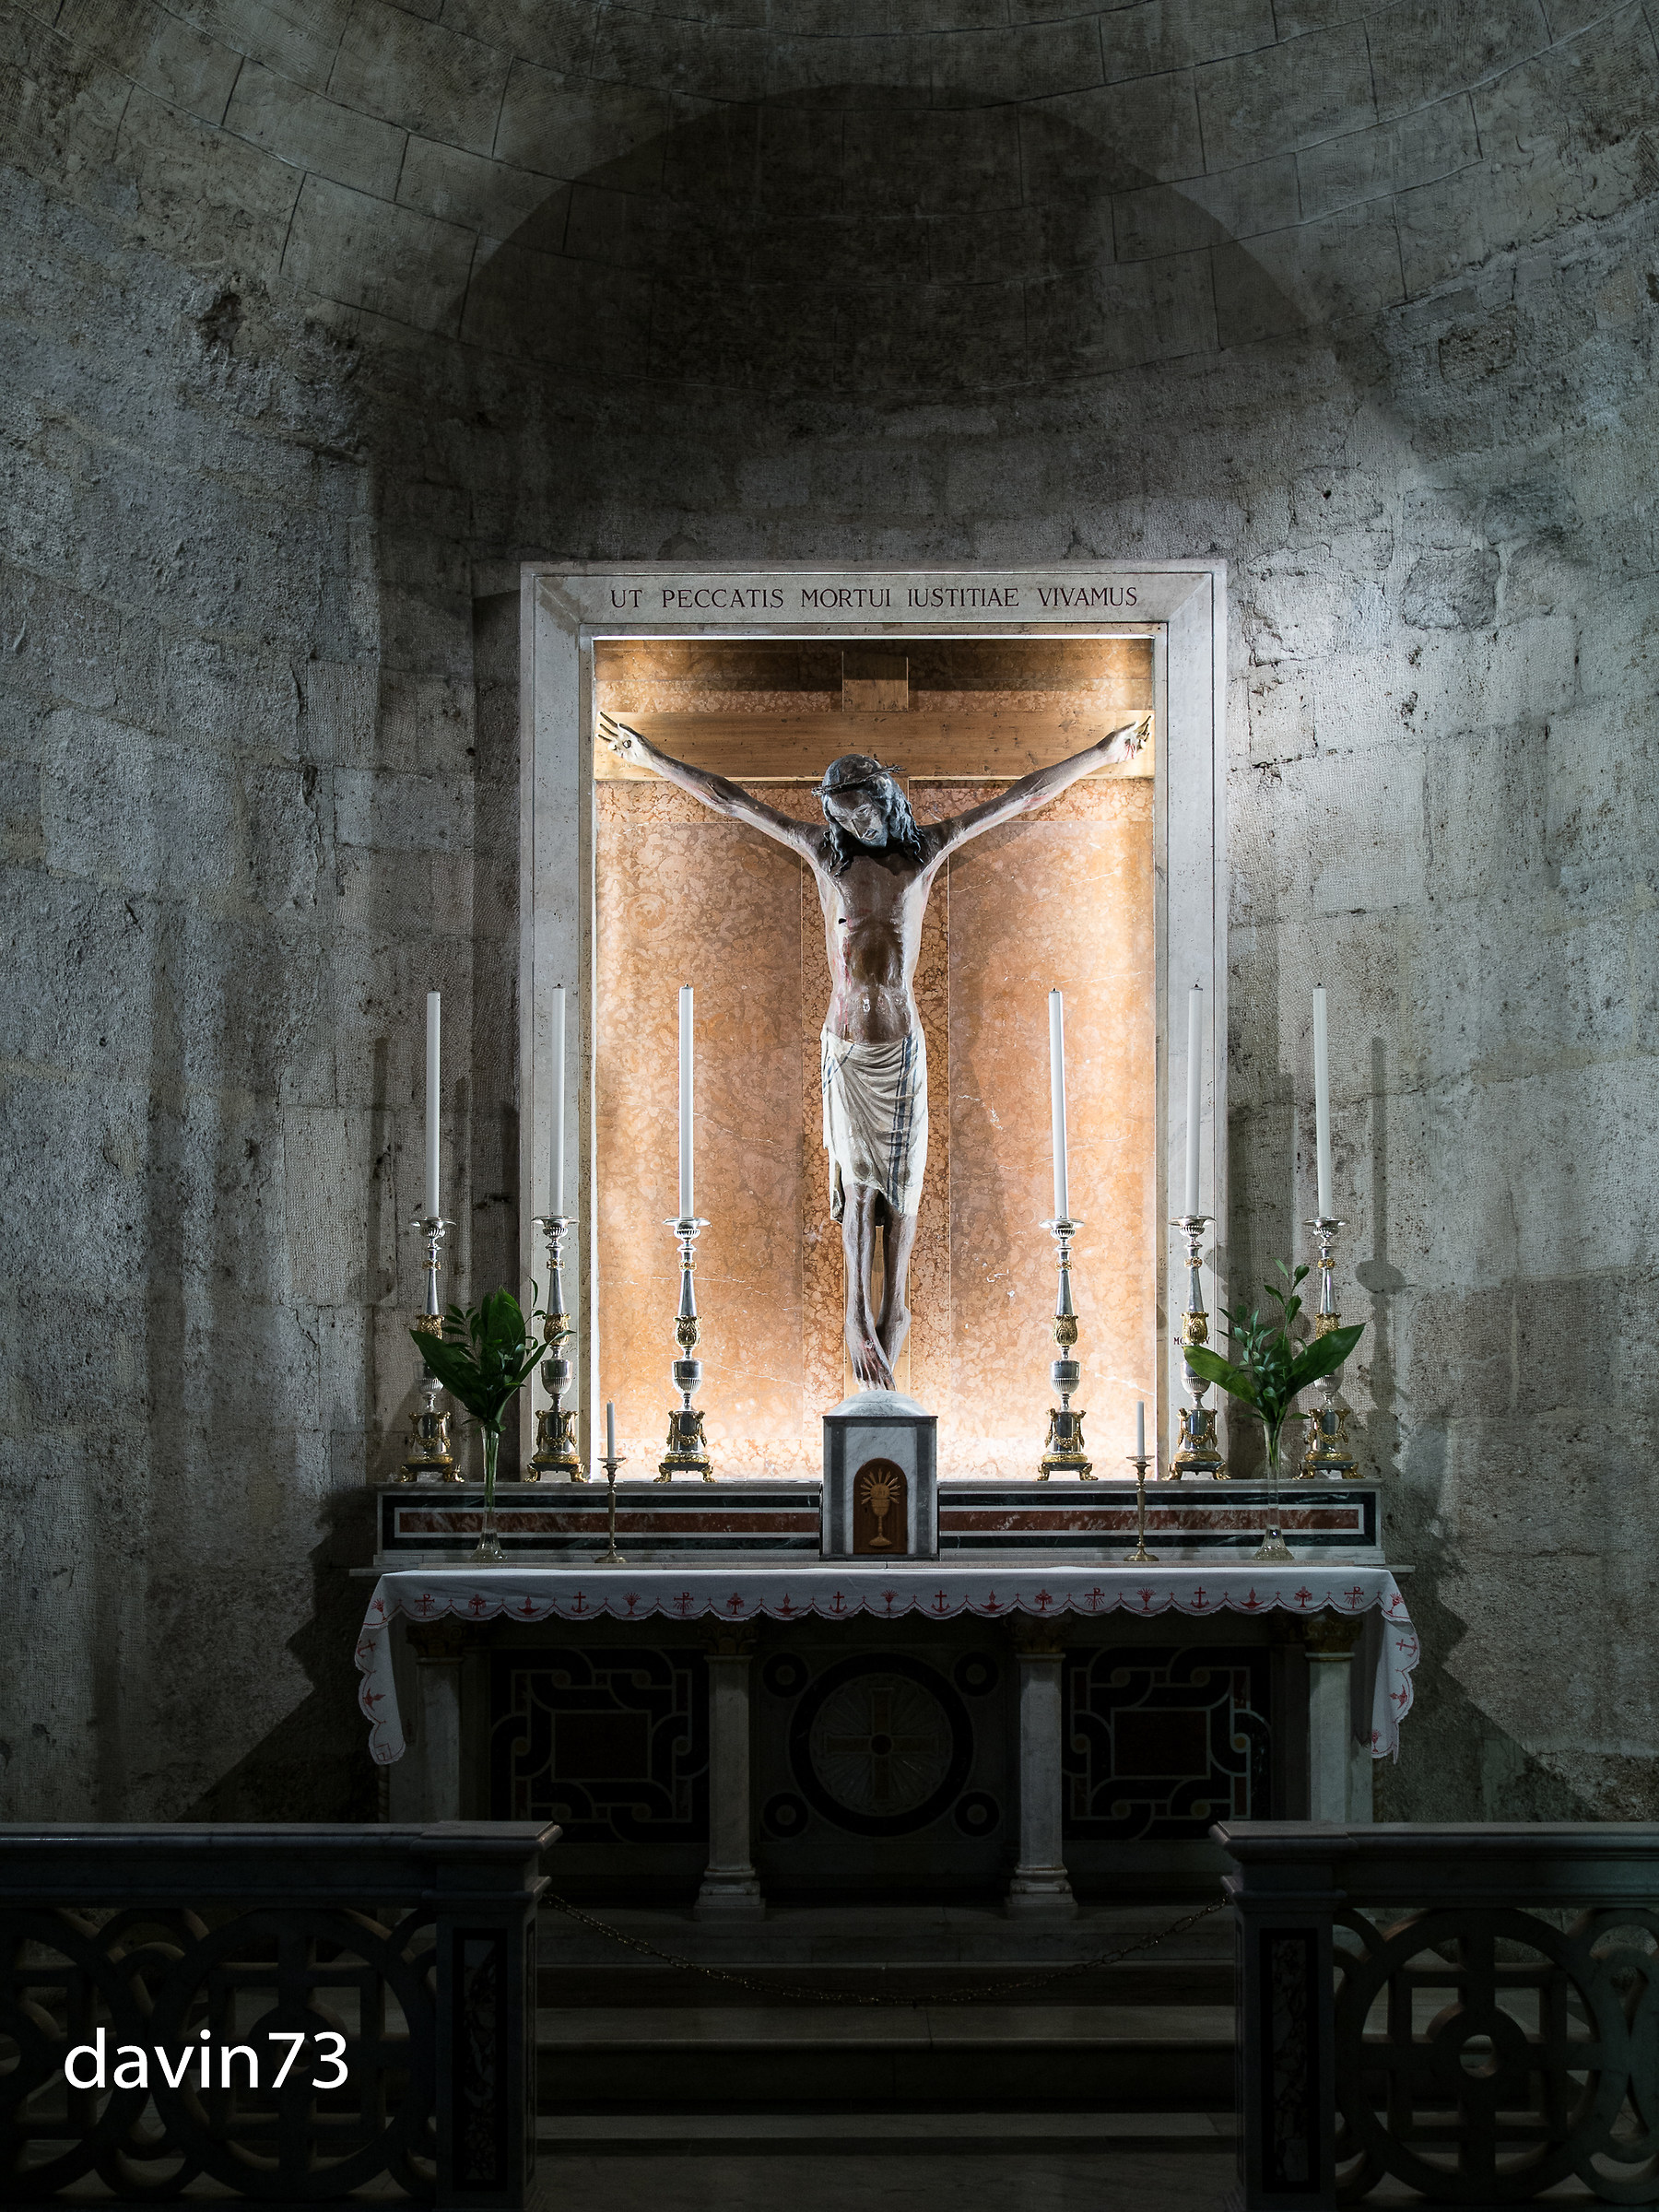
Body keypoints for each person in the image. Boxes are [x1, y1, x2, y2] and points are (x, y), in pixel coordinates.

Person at [598, 709, 1148, 1391]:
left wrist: (1103, 750)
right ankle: (856, 1316)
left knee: (906, 1199)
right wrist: (650, 758)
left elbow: (1020, 797)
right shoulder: (825, 857)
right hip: (850, 1056)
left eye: (866, 813)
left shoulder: (924, 851)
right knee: (859, 1192)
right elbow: (732, 800)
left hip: (903, 1055)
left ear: (887, 800)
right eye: (847, 819)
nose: (860, 828)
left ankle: (896, 1315)